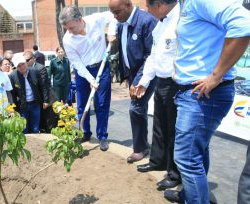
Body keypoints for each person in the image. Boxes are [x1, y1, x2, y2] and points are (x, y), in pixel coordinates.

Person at [162, 1, 250, 203]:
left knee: (186, 158)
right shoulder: (185, 3)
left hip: (204, 95)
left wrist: (215, 76)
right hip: (196, 93)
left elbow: (244, 24)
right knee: (196, 151)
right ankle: (189, 196)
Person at [134, 0, 181, 190]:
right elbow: (153, 56)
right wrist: (144, 82)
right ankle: (157, 161)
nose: (147, 10)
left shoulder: (182, 19)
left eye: (148, 6)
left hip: (177, 83)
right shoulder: (159, 25)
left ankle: (174, 174)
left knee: (174, 131)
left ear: (160, 5)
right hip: (161, 81)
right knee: (159, 126)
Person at [59, 6, 116, 151]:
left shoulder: (95, 20)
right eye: (66, 28)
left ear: (79, 19)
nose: (69, 31)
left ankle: (102, 136)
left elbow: (114, 15)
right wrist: (90, 79)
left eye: (71, 27)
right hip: (82, 72)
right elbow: (76, 62)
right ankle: (85, 132)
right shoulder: (68, 39)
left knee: (102, 103)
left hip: (101, 68)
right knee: (82, 103)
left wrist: (111, 31)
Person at [109, 0, 157, 161]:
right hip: (133, 73)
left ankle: (140, 149)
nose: (115, 16)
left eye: (117, 12)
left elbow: (151, 55)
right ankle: (144, 145)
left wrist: (139, 80)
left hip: (147, 72)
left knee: (135, 108)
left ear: (128, 5)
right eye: (113, 13)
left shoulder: (147, 21)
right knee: (139, 109)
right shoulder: (122, 23)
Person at [9, 56, 47, 133]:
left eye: (23, 64)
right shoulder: (12, 76)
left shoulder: (35, 71)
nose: (22, 67)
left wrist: (45, 100)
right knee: (24, 129)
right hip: (22, 106)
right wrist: (13, 108)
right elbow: (12, 94)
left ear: (26, 63)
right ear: (16, 67)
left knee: (36, 128)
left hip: (35, 104)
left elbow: (42, 86)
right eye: (19, 66)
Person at [23, 51, 50, 132]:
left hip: (40, 97)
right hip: (28, 100)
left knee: (41, 121)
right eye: (24, 61)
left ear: (33, 59)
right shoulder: (22, 69)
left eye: (27, 60)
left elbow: (44, 86)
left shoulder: (40, 68)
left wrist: (45, 100)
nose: (25, 62)